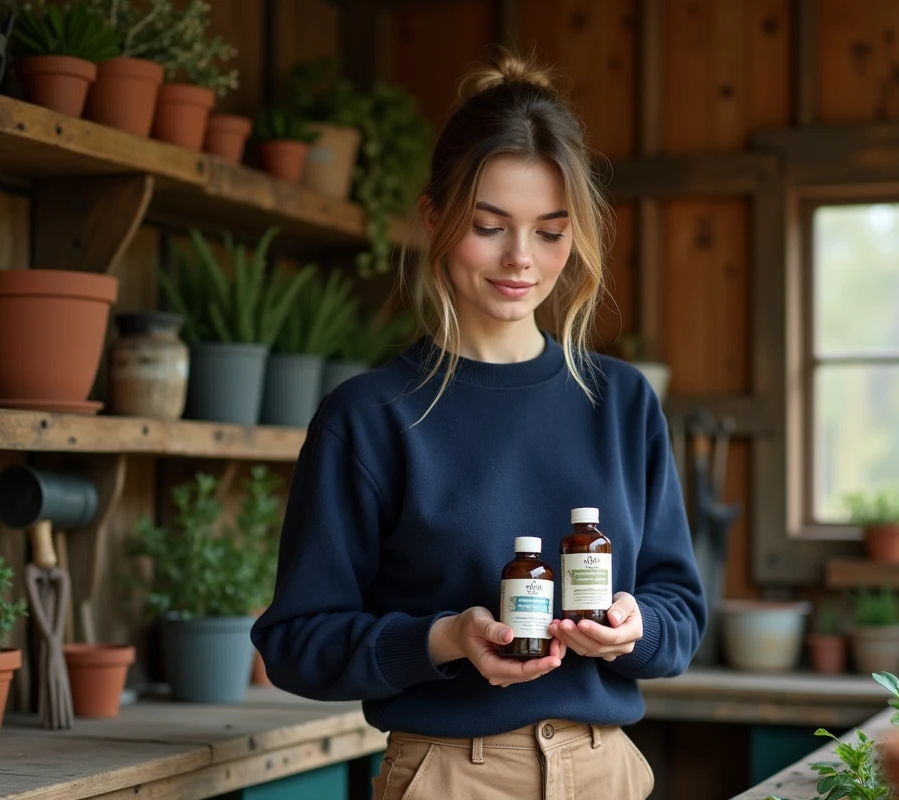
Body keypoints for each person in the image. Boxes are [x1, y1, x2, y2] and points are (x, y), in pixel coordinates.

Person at [251, 47, 707, 800]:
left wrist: (636, 628)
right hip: (448, 777)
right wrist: (442, 641)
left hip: (608, 772)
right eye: (490, 226)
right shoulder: (367, 419)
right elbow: (296, 643)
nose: (521, 259)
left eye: (551, 232)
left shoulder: (624, 403)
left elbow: (680, 612)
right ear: (435, 218)